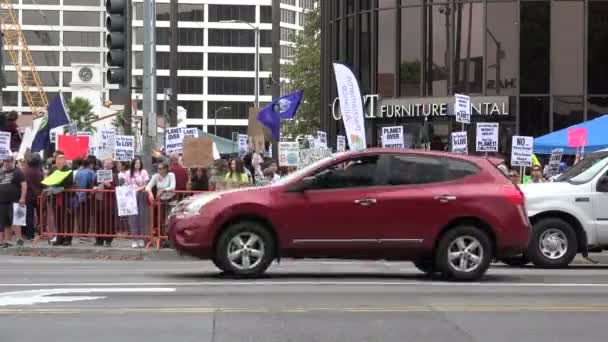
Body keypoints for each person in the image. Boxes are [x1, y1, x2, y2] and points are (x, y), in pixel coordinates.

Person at [42, 151, 74, 246]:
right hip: (55, 197)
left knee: (67, 219)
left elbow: (68, 182)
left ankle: (68, 238)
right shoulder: (53, 169)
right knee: (58, 218)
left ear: (65, 161)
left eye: (61, 160)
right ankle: (59, 237)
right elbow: (49, 180)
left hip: (66, 197)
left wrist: (57, 183)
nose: (59, 162)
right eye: (58, 160)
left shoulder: (68, 170)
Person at [0, 154, 27, 247]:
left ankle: (19, 239)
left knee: (16, 220)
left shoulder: (17, 171)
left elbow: (24, 185)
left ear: (12, 162)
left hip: (14, 200)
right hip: (2, 201)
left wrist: (22, 197)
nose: (7, 163)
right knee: (6, 222)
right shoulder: (0, 171)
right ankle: (8, 241)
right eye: (5, 161)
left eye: (9, 161)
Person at [146, 160, 175, 242]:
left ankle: (170, 239)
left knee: (168, 220)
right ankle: (162, 239)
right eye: (158, 169)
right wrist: (150, 193)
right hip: (161, 201)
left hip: (171, 200)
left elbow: (172, 187)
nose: (160, 170)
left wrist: (163, 190)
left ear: (166, 169)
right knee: (161, 221)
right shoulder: (156, 176)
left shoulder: (171, 175)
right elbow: (148, 186)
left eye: (161, 168)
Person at [123, 157, 150, 248]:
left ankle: (141, 239)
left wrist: (139, 189)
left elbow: (146, 184)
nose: (138, 164)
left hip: (141, 195)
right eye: (136, 163)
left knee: (141, 217)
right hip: (131, 197)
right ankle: (134, 239)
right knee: (132, 219)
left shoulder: (144, 172)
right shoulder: (127, 173)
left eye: (139, 163)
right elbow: (126, 184)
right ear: (133, 164)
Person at [94, 158, 118, 247]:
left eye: (109, 163)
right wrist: (94, 188)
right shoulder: (98, 173)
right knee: (99, 221)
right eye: (106, 163)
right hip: (99, 200)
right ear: (103, 164)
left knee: (109, 221)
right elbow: (94, 184)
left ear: (112, 165)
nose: (107, 165)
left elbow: (116, 187)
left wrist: (109, 186)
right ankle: (99, 240)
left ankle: (108, 240)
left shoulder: (114, 175)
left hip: (109, 202)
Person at [73, 158, 95, 237]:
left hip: (79, 195)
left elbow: (75, 183)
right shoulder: (91, 172)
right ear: (90, 165)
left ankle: (80, 231)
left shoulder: (78, 172)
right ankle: (85, 232)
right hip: (88, 195)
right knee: (87, 215)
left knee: (80, 214)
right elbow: (93, 182)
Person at [24, 154, 43, 240]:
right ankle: (41, 232)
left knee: (29, 216)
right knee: (41, 215)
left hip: (28, 196)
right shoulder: (40, 172)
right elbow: (43, 184)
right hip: (39, 196)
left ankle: (29, 234)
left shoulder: (25, 172)